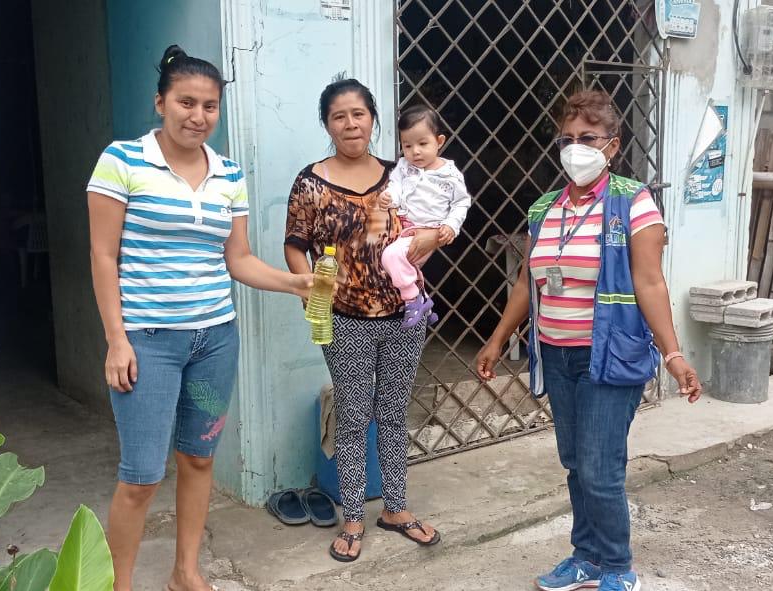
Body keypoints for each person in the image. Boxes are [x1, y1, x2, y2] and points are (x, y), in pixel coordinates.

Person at [86, 45, 311, 591]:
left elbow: (238, 258)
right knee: (141, 477)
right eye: (186, 102)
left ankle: (185, 572)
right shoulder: (122, 161)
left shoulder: (229, 173)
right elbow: (103, 255)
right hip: (148, 343)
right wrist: (117, 339)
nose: (198, 116)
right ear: (160, 102)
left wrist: (293, 284)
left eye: (210, 106)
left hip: (214, 342)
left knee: (199, 458)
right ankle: (119, 585)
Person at [475, 89, 702, 591]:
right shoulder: (544, 209)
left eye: (589, 138)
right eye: (568, 138)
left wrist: (673, 353)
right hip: (557, 356)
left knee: (600, 468)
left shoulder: (632, 201)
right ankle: (586, 557)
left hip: (609, 356)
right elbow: (527, 283)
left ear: (613, 145)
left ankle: (617, 565)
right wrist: (496, 339)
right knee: (576, 464)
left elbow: (650, 282)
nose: (576, 147)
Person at [284, 78, 442, 563]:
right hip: (344, 317)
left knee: (393, 412)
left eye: (359, 114)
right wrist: (309, 290)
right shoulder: (310, 183)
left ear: (373, 119)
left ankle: (395, 507)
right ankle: (353, 516)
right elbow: (295, 244)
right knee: (353, 417)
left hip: (404, 314)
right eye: (339, 116)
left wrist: (429, 242)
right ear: (327, 124)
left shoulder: (401, 175)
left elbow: (426, 225)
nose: (351, 124)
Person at [379, 105, 471, 328]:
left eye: (422, 144)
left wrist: (451, 225)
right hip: (404, 228)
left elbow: (461, 202)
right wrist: (389, 197)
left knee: (390, 257)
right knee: (405, 265)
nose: (415, 152)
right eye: (407, 146)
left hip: (428, 232)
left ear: (439, 141)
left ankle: (412, 299)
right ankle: (424, 303)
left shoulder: (449, 174)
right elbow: (396, 186)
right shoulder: (404, 167)